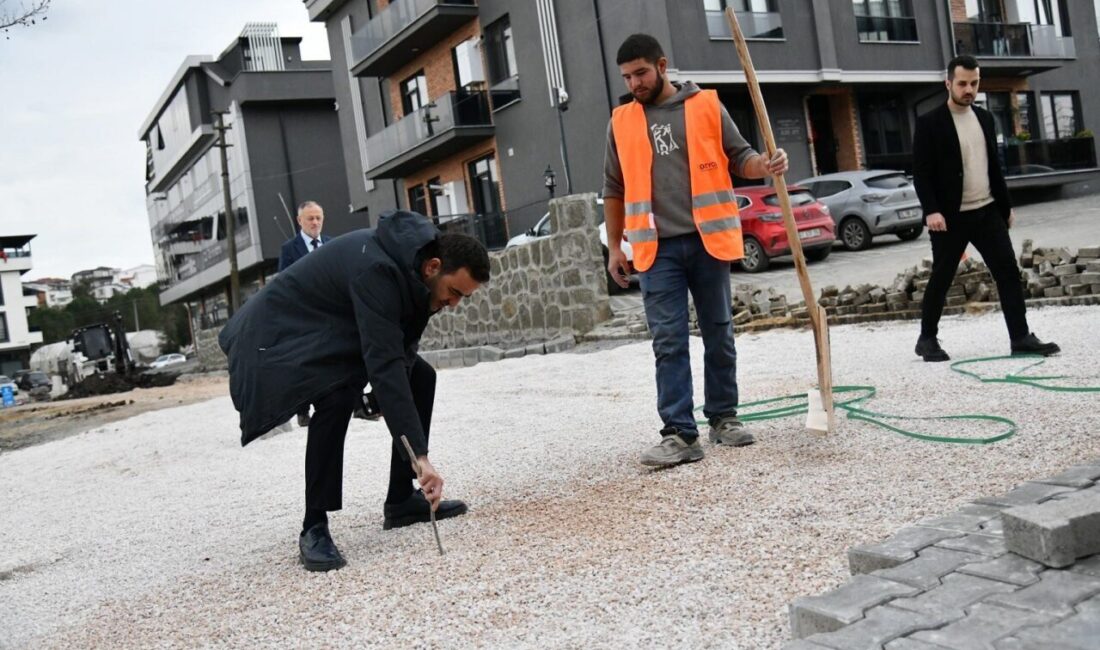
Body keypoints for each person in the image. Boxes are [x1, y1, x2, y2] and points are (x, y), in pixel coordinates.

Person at [219, 210, 490, 571]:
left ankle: (400, 502)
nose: (454, 304)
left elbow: (402, 352)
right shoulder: (378, 271)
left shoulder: (417, 270)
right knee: (336, 396)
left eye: (463, 298)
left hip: (330, 323)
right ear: (433, 267)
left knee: (421, 376)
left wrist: (388, 409)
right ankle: (313, 527)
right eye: (455, 292)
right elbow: (385, 364)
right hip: (279, 333)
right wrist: (420, 455)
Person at [603, 34, 788, 468]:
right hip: (656, 249)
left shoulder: (705, 106)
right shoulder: (621, 122)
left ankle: (724, 417)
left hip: (708, 240)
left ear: (662, 65)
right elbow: (614, 188)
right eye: (627, 76)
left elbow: (740, 156)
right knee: (668, 341)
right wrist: (615, 246)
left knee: (719, 331)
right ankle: (680, 434)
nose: (635, 83)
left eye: (641, 73)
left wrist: (765, 165)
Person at [911, 55, 1059, 362]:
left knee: (1007, 271)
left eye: (974, 83)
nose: (969, 89)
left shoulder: (985, 118)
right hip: (950, 217)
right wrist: (932, 211)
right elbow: (922, 173)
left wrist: (1005, 208)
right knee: (942, 275)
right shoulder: (930, 123)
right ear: (948, 83)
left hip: (987, 210)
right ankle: (927, 339)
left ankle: (1020, 337)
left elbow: (994, 166)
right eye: (962, 83)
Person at [278, 200, 331, 427]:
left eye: (318, 217)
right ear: (300, 221)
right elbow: (284, 283)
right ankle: (302, 409)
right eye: (310, 218)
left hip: (330, 314)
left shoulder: (332, 243)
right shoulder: (289, 250)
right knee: (305, 362)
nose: (315, 222)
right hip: (304, 317)